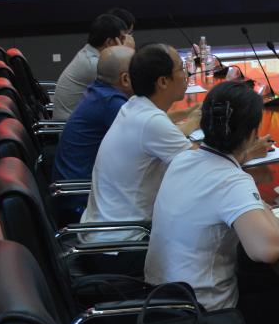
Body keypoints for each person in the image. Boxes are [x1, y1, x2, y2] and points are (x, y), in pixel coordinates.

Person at [145, 81, 279, 324]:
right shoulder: (232, 181)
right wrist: (267, 211)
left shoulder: (185, 157)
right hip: (202, 317)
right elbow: (267, 249)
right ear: (252, 134)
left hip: (161, 298)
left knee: (264, 279)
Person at [80, 44, 203, 242]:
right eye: (181, 68)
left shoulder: (134, 104)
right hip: (122, 243)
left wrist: (190, 114)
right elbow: (203, 166)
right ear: (163, 81)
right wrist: (247, 150)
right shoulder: (151, 121)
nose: (186, 74)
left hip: (101, 230)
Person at [52, 46, 134, 188]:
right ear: (125, 79)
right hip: (81, 191)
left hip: (74, 180)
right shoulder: (111, 103)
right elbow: (147, 141)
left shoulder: (99, 91)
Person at [52, 13, 129, 120]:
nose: (125, 43)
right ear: (109, 42)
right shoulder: (93, 64)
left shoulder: (88, 53)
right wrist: (126, 51)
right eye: (122, 39)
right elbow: (128, 88)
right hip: (69, 124)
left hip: (76, 119)